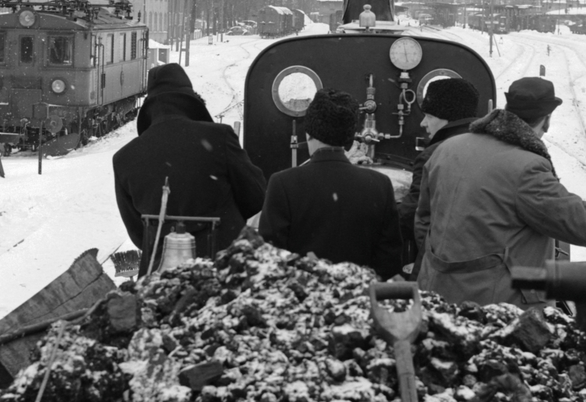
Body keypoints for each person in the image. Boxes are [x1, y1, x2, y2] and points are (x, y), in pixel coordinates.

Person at [415, 76, 586, 307]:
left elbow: (424, 220)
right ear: (546, 121)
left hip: (435, 294)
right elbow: (581, 222)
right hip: (495, 307)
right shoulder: (526, 168)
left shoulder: (447, 148)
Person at [113, 63, 265, 273]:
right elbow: (257, 197)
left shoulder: (124, 158)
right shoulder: (219, 138)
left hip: (160, 277)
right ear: (190, 102)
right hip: (226, 270)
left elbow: (139, 234)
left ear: (150, 108)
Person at [259, 88, 402, 277]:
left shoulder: (283, 184)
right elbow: (389, 262)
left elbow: (270, 259)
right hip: (361, 291)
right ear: (350, 136)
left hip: (303, 290)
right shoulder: (380, 185)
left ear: (309, 133)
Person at [396, 77, 479, 270]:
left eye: (429, 116)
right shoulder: (492, 148)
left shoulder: (432, 155)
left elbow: (412, 215)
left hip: (441, 264)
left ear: (447, 117)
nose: (423, 123)